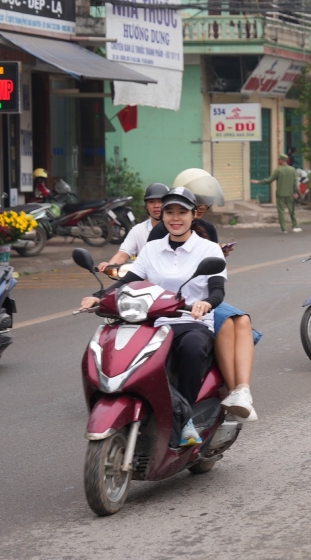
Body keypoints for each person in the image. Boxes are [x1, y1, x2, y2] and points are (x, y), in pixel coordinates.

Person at [80, 187, 228, 446]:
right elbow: (127, 281)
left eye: (182, 212)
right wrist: (98, 297)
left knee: (193, 349)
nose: (175, 217)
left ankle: (187, 419)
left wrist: (205, 303)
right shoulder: (151, 249)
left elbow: (217, 290)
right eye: (169, 212)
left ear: (194, 215)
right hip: (153, 322)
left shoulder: (209, 250)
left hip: (189, 322)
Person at [147, 179, 259, 422]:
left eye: (200, 208)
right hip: (170, 305)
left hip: (200, 301)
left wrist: (221, 253)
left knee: (242, 321)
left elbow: (215, 278)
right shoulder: (159, 236)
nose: (178, 217)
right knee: (229, 322)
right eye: (171, 211)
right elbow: (148, 269)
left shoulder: (207, 230)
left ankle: (240, 392)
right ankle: (233, 389)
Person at [97, 182, 168, 272]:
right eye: (151, 202)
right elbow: (123, 254)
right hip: (144, 280)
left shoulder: (177, 229)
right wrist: (110, 265)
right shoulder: (138, 230)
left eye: (160, 201)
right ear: (146, 205)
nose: (156, 206)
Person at [251, 154, 301, 233]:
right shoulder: (292, 170)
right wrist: (296, 192)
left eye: (279, 160)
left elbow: (269, 180)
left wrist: (259, 182)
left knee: (281, 211)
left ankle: (284, 229)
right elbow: (295, 183)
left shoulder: (278, 170)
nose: (278, 161)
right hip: (290, 193)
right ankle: (295, 226)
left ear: (282, 160)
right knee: (292, 210)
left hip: (280, 194)